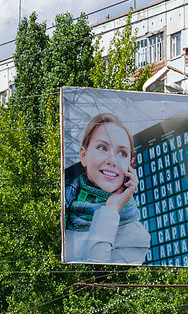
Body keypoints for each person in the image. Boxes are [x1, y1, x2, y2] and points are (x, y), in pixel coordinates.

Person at [63, 111, 150, 265]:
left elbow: (98, 270)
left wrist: (111, 210)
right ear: (83, 155)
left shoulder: (136, 236)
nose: (112, 160)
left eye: (122, 153)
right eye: (102, 148)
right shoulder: (62, 208)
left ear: (131, 164)